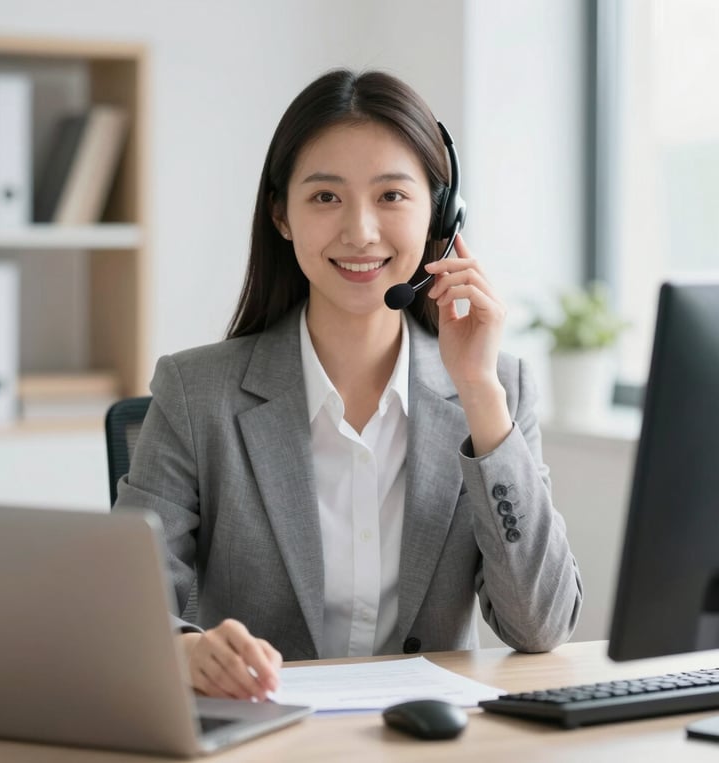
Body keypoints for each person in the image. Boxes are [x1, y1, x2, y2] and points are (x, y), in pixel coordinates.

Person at [114, 68, 583, 703]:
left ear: (441, 215)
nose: (360, 231)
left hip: (427, 747)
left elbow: (542, 625)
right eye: (326, 197)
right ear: (281, 215)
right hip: (265, 740)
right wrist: (187, 649)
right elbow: (130, 608)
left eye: (392, 196)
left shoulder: (498, 389)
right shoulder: (197, 393)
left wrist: (478, 391)